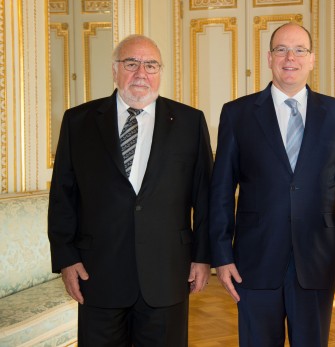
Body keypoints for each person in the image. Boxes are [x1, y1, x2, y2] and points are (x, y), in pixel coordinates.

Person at [48, 34, 213, 346]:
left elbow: (204, 196)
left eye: (151, 65)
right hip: (97, 273)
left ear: (161, 72)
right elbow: (63, 198)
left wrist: (203, 257)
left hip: (167, 271)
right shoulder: (78, 121)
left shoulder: (190, 122)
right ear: (114, 70)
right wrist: (66, 258)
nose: (141, 73)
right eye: (131, 63)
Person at [209, 22, 335, 346]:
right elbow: (220, 191)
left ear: (312, 59)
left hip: (316, 261)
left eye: (299, 50)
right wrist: (221, 255)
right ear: (269, 58)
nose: (290, 57)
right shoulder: (237, 114)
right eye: (281, 49)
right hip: (254, 261)